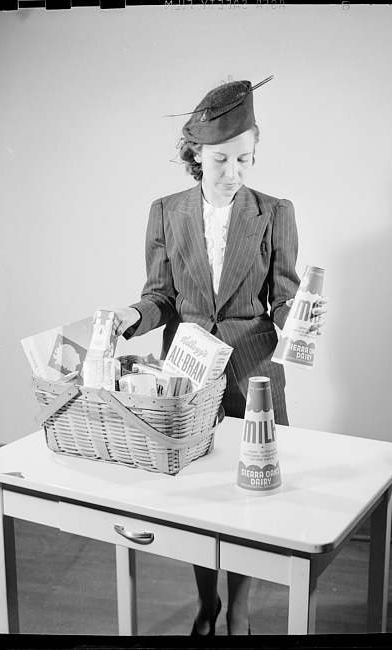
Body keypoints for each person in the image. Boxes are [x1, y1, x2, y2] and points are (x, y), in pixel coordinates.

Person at [98, 76, 327, 635]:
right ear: (195, 155)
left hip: (255, 373)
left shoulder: (275, 211)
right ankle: (208, 605)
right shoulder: (166, 211)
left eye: (245, 160)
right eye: (221, 160)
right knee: (196, 499)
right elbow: (160, 297)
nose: (235, 173)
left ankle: (241, 609)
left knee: (250, 493)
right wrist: (131, 317)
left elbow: (283, 295)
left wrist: (296, 319)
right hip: (187, 377)